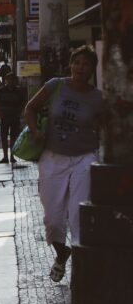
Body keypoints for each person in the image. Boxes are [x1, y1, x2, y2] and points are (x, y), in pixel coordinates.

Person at [24, 46, 104, 283]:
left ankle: (81, 270)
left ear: (92, 70)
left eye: (86, 64)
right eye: (77, 62)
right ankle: (62, 254)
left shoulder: (97, 97)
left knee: (78, 214)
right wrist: (35, 130)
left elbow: (104, 124)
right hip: (52, 157)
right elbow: (30, 108)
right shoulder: (55, 86)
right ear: (71, 64)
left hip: (84, 157)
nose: (81, 68)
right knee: (53, 219)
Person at [0, 73, 26, 165]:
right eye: (8, 79)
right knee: (4, 137)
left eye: (12, 79)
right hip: (4, 117)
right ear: (6, 80)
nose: (10, 81)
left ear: (15, 81)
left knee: (13, 137)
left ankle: (12, 156)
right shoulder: (1, 90)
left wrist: (19, 113)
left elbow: (23, 103)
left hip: (14, 117)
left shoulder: (18, 91)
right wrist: (0, 113)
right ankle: (5, 157)